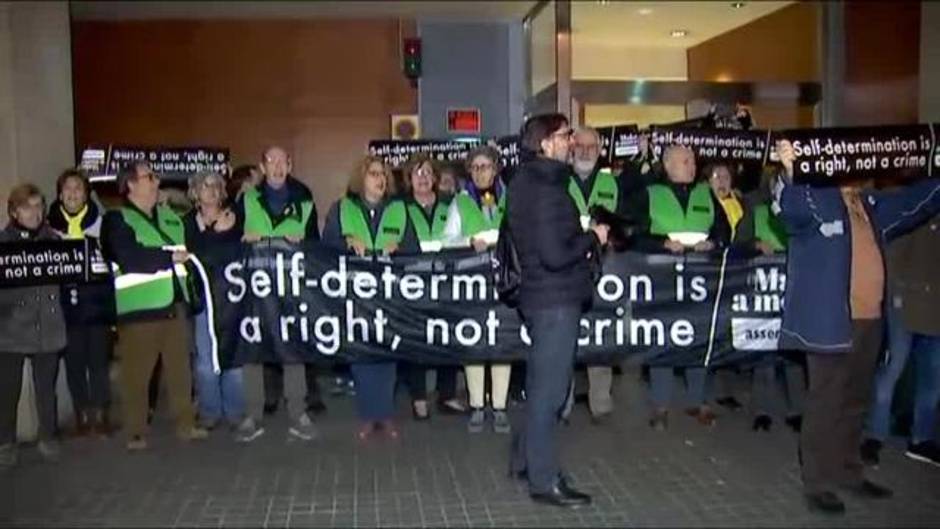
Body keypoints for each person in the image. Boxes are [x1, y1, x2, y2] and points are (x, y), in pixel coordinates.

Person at [775, 139, 940, 515]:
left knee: (855, 402)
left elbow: (916, 203)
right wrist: (791, 171)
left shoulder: (870, 205)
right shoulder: (816, 198)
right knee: (826, 403)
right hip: (829, 322)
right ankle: (818, 481)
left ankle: (848, 471)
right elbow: (790, 212)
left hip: (869, 320)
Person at [507, 113, 609, 507]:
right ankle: (543, 480)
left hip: (542, 298)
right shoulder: (546, 188)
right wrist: (592, 237)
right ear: (546, 143)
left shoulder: (527, 181)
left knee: (541, 385)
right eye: (566, 135)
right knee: (550, 394)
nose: (571, 142)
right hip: (554, 301)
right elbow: (554, 255)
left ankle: (525, 461)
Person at [101, 162, 208, 450]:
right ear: (130, 185)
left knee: (180, 370)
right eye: (149, 176)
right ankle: (135, 430)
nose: (156, 181)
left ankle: (186, 424)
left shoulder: (171, 217)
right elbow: (128, 256)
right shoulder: (116, 220)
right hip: (140, 311)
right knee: (137, 373)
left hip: (175, 304)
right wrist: (167, 258)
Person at [629, 146, 730, 430]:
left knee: (699, 339)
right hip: (662, 281)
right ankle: (660, 405)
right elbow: (632, 234)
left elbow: (725, 230)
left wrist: (713, 242)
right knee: (664, 340)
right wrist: (660, 243)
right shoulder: (650, 193)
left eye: (693, 161)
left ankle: (699, 401)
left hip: (700, 281)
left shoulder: (704, 192)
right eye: (685, 161)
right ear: (668, 164)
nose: (691, 165)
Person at [322, 155, 416, 440]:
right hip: (356, 294)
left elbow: (415, 249)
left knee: (387, 353)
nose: (381, 179)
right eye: (374, 173)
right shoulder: (342, 208)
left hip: (390, 293)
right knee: (362, 354)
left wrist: (398, 247)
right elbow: (325, 247)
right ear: (360, 179)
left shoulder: (399, 209)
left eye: (383, 174)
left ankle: (385, 415)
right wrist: (347, 242)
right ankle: (367, 414)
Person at [238, 145, 321, 442]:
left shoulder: (304, 203)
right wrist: (242, 238)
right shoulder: (246, 200)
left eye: (282, 160)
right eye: (270, 160)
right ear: (262, 166)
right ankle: (252, 414)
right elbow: (231, 241)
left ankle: (298, 412)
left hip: (291, 290)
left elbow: (317, 250)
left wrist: (303, 243)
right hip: (255, 290)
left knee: (293, 348)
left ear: (290, 164)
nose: (276, 166)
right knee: (253, 349)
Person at [442, 146, 511, 434]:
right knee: (475, 341)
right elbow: (447, 240)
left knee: (502, 341)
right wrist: (470, 242)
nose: (482, 172)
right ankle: (476, 405)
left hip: (505, 278)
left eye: (486, 166)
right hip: (472, 280)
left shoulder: (511, 197)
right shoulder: (459, 202)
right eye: (476, 167)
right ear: (469, 171)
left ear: (496, 169)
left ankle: (499, 406)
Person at [862, 212, 940, 467]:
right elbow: (893, 251)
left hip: (934, 309)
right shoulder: (918, 203)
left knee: (932, 379)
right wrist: (896, 294)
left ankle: (921, 438)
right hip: (907, 302)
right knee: (892, 369)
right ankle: (874, 434)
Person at [0, 184, 67, 466]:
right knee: (7, 391)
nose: (35, 213)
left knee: (45, 389)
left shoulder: (54, 240)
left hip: (48, 327)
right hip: (11, 329)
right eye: (28, 207)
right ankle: (5, 443)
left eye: (39, 206)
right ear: (15, 211)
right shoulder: (3, 245)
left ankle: (48, 436)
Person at [183, 172, 254, 438]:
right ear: (195, 192)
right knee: (205, 359)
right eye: (205, 186)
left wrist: (222, 231)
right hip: (204, 300)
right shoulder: (188, 222)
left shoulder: (234, 216)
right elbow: (195, 252)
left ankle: (235, 411)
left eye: (216, 186)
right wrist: (214, 231)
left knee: (233, 356)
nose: (212, 191)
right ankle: (210, 411)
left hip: (232, 299)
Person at [46, 169, 115, 437]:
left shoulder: (102, 223)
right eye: (68, 189)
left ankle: (101, 413)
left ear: (86, 194)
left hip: (96, 306)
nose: (73, 194)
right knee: (74, 364)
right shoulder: (49, 228)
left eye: (78, 189)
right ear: (60, 194)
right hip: (65, 309)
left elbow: (112, 265)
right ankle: (82, 414)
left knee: (99, 361)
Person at [399, 154, 466, 420]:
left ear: (436, 178)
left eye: (428, 172)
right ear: (408, 179)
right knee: (416, 338)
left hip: (446, 281)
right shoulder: (398, 207)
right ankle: (418, 397)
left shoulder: (451, 205)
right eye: (417, 173)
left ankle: (446, 395)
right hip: (412, 282)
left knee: (447, 336)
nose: (423, 178)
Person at [566, 127, 621, 422]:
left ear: (600, 150)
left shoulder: (612, 182)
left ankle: (601, 402)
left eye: (592, 146)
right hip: (568, 264)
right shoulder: (559, 180)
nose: (586, 151)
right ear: (571, 149)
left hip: (604, 267)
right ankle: (563, 402)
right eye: (581, 146)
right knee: (566, 334)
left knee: (601, 331)